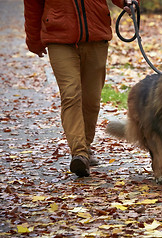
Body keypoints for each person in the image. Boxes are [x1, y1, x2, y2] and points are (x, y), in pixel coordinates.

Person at [24, 0, 139, 177]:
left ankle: (85, 146)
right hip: (59, 37)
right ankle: (79, 153)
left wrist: (126, 1)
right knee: (70, 94)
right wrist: (34, 40)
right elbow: (32, 5)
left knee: (91, 100)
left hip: (95, 35)